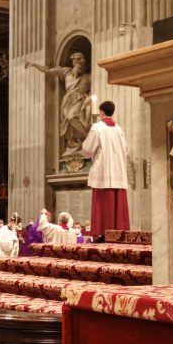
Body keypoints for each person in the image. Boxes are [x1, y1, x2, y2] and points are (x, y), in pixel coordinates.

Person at [26, 52, 92, 157]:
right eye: (75, 63)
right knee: (66, 124)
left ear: (84, 65)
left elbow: (93, 92)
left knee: (72, 117)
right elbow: (47, 70)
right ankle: (75, 142)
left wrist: (88, 99)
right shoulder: (66, 72)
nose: (77, 66)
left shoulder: (88, 77)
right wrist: (34, 64)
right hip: (66, 101)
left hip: (79, 100)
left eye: (79, 63)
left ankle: (88, 137)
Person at [82, 100, 130, 234]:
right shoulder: (119, 129)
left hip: (103, 171)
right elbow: (126, 150)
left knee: (102, 203)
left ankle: (102, 232)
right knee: (117, 204)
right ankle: (119, 233)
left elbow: (88, 149)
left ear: (101, 112)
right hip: (118, 171)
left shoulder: (98, 128)